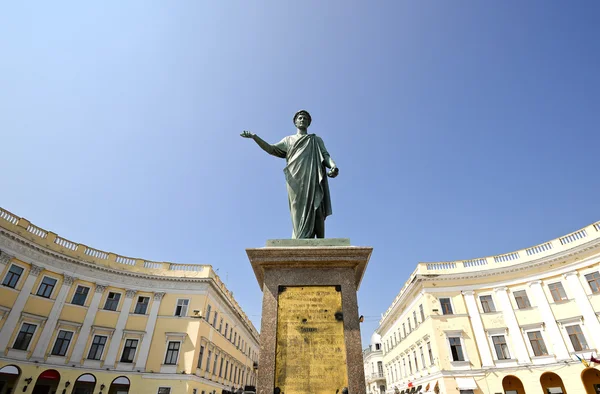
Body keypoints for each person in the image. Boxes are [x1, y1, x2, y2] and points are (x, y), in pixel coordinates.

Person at [241, 110, 339, 239]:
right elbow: (271, 149)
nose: (302, 119)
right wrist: (255, 137)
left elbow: (325, 155)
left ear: (309, 122)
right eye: (300, 118)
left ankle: (321, 243)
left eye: (305, 118)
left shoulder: (315, 139)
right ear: (295, 122)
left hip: (313, 175)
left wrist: (333, 166)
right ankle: (299, 238)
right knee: (296, 208)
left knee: (317, 207)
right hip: (295, 178)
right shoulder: (288, 140)